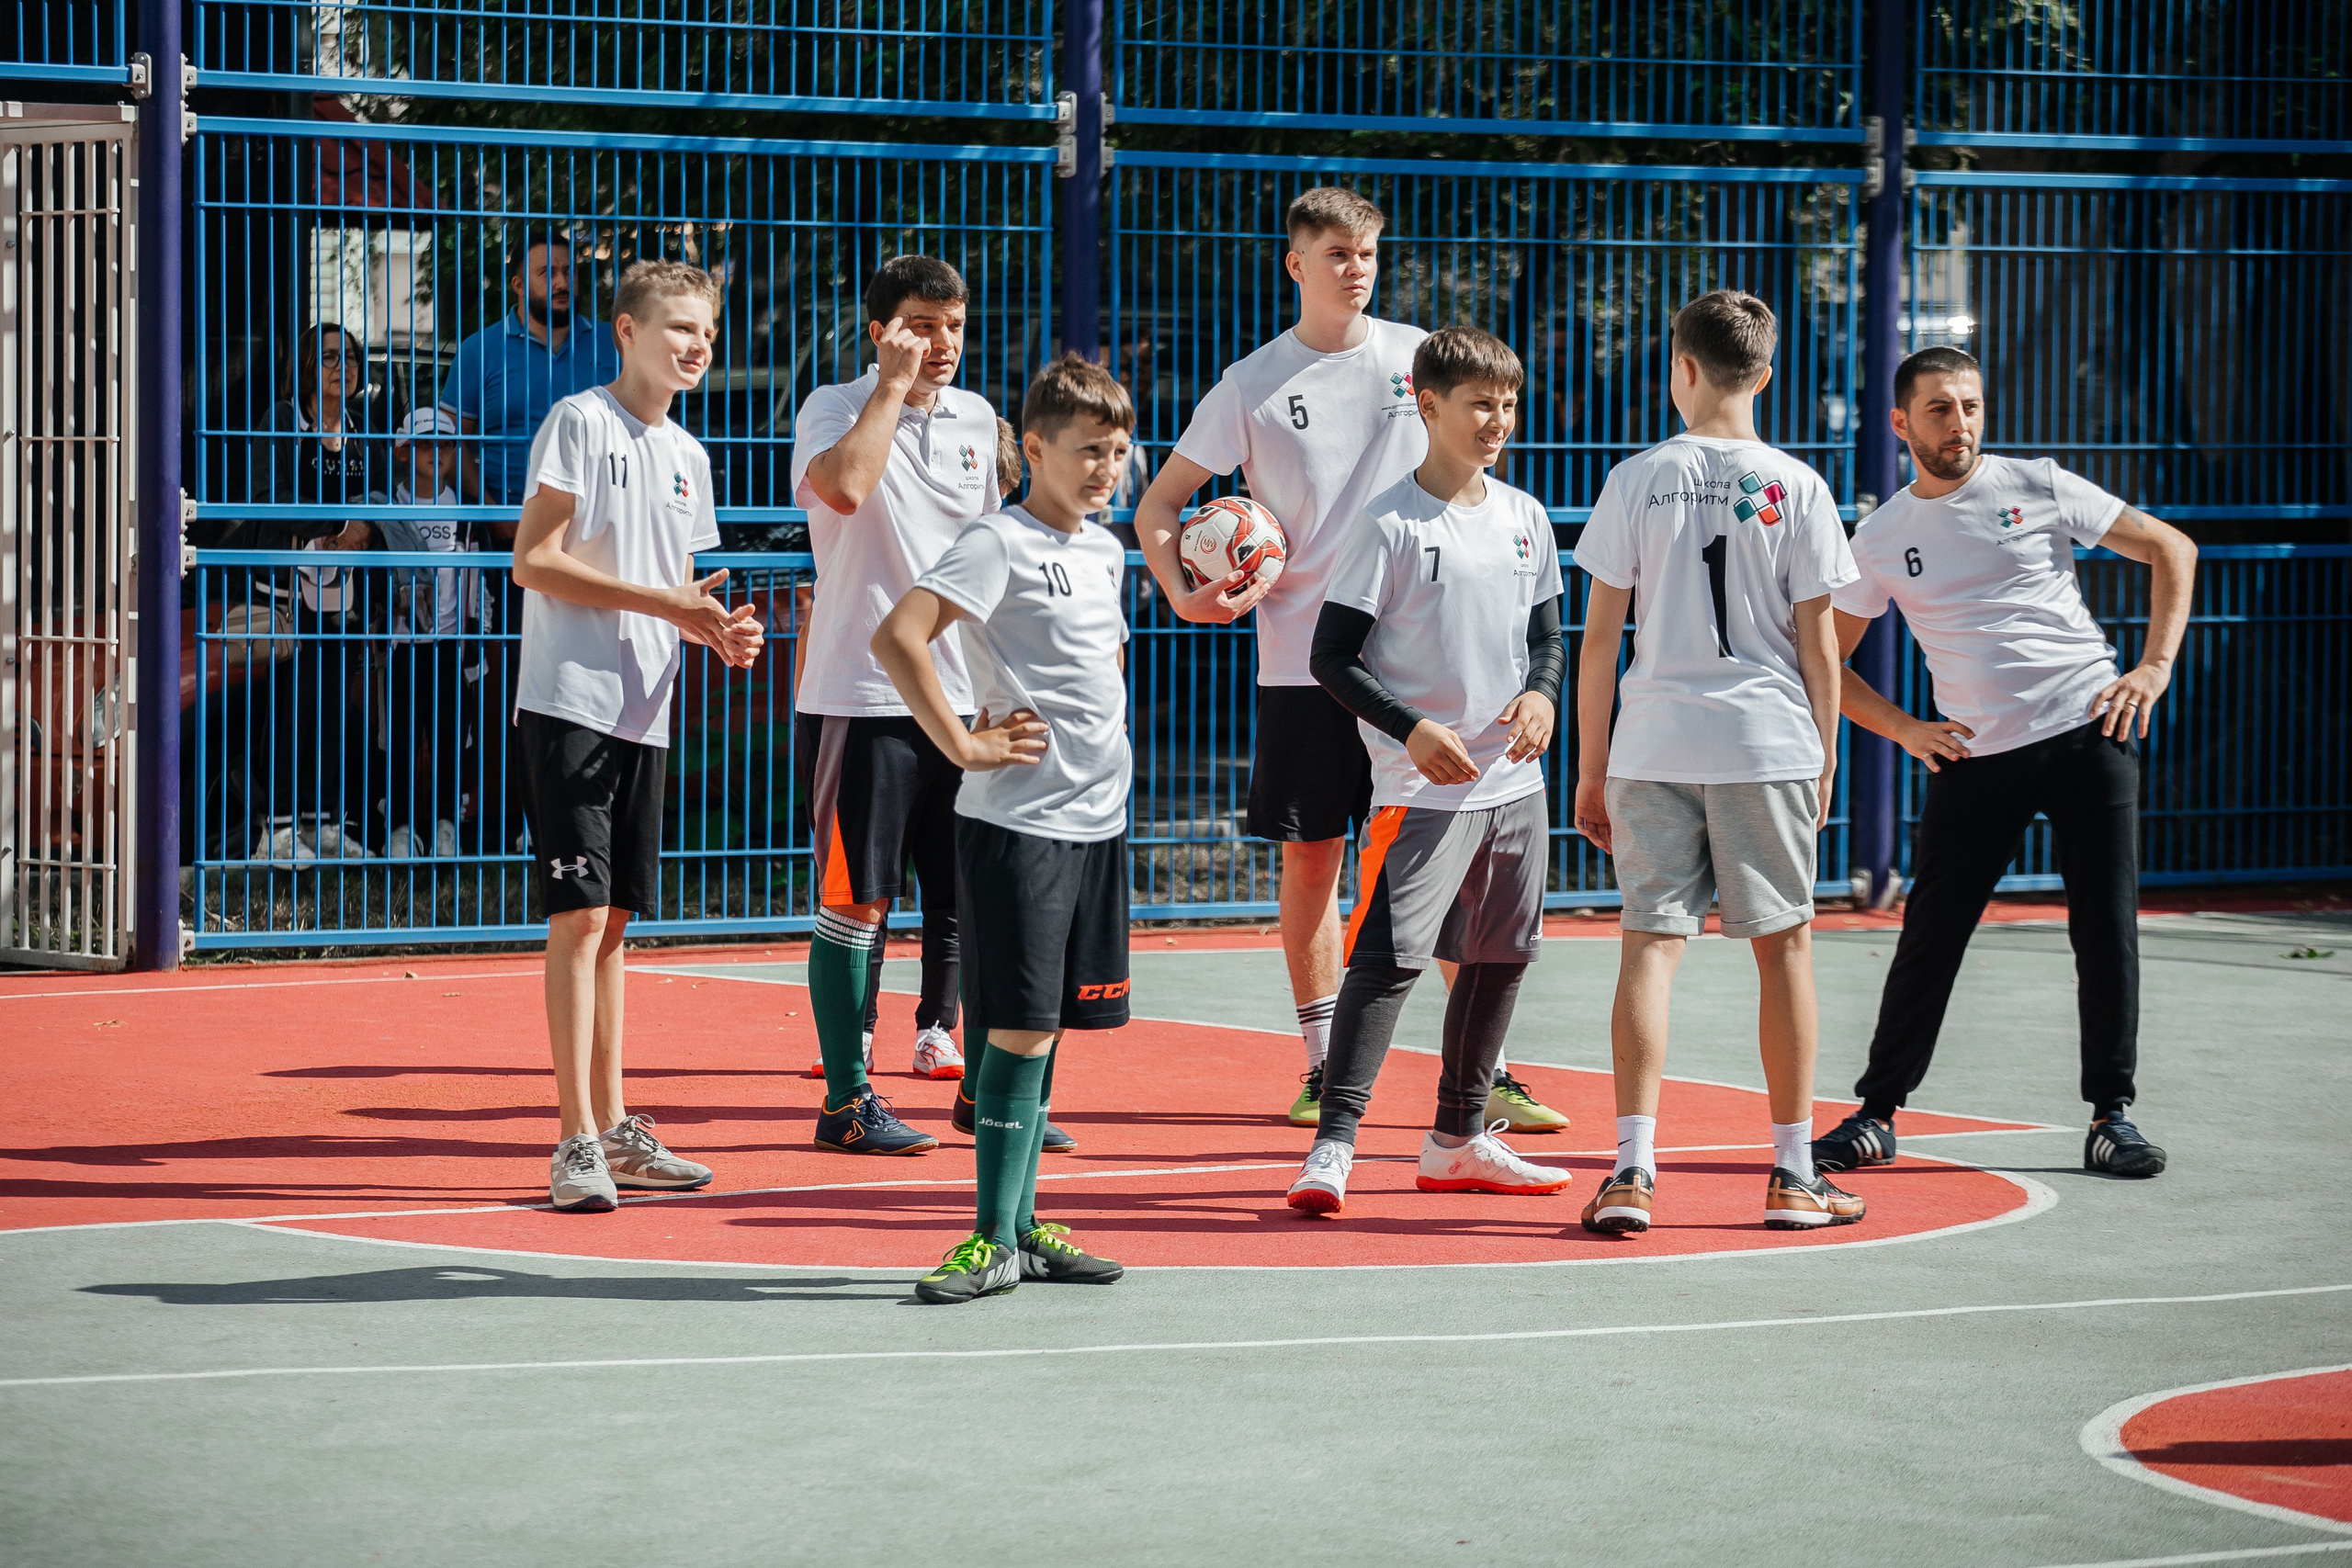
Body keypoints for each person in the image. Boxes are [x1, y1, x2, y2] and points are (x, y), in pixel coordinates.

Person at [1135, 186, 1566, 1136]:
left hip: (1427, 659)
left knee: (1460, 864)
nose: (1355, 267)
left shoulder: (1419, 361)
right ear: (1296, 264)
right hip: (1306, 658)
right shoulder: (1249, 384)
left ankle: (1483, 1068)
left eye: (1366, 252)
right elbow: (1157, 507)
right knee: (1315, 856)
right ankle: (1322, 1059)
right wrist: (1180, 590)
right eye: (1335, 253)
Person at [1810, 346, 2198, 1181]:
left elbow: (2173, 549)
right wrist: (1907, 729)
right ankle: (1877, 1113)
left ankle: (2111, 1117)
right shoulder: (1879, 538)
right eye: (1941, 408)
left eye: (1971, 406)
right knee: (1930, 937)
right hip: (1975, 757)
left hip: (2089, 732)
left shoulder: (2040, 484)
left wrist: (2154, 667)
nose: (1960, 423)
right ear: (1901, 422)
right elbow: (1826, 662)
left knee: (2105, 931)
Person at [1569, 289, 1867, 1235]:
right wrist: (1821, 759)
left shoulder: (1635, 479)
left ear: (1681, 368)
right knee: (1783, 949)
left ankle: (1629, 1173)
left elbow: (1597, 640)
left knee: (1651, 946)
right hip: (1763, 741)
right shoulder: (1796, 485)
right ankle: (1790, 1174)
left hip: (1651, 741)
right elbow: (1819, 646)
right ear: (1764, 376)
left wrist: (1588, 765)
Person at [1283, 327, 1574, 1214]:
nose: (1497, 420)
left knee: (1500, 957)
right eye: (1480, 403)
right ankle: (1332, 1148)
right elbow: (1332, 656)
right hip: (1424, 790)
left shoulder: (1526, 517)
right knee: (1390, 961)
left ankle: (1457, 1139)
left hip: (1514, 787)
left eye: (1508, 404)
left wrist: (1543, 698)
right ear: (1430, 405)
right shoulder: (1390, 524)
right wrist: (1409, 730)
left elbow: (1548, 642)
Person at [872, 354, 1137, 1303]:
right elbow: (898, 634)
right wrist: (961, 745)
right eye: (1085, 451)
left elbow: (1091, 673)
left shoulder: (1104, 551)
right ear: (1031, 449)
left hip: (1094, 825)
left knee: (1047, 1029)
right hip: (1017, 828)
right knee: (1015, 1032)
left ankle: (1025, 1226)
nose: (1105, 468)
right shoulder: (998, 540)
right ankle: (986, 1239)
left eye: (1115, 450)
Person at [508, 260, 764, 1213]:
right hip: (571, 700)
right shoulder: (580, 421)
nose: (695, 346)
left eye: (705, 331)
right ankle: (573, 1139)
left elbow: (683, 591)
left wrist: (718, 629)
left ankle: (615, 1132)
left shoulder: (688, 457)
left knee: (615, 925)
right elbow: (534, 560)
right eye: (676, 330)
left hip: (642, 710)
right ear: (625, 332)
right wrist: (667, 602)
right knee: (577, 921)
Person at [790, 255, 1012, 1155]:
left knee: (981, 899)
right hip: (861, 694)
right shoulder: (834, 408)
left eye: (954, 325)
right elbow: (844, 488)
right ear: (879, 328)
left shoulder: (978, 419)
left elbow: (995, 556)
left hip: (960, 700)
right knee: (858, 903)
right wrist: (892, 388)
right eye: (923, 324)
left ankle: (983, 1089)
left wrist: (1005, 687)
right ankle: (846, 1102)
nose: (943, 343)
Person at [259, 321, 403, 859]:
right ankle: (276, 830)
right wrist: (341, 527)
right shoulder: (280, 421)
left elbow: (383, 502)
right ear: (304, 367)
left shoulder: (363, 430)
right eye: (327, 357)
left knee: (334, 709)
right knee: (286, 707)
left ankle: (323, 822)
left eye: (350, 357)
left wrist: (363, 531)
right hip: (287, 595)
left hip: (345, 600)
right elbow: (269, 499)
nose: (342, 367)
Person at [374, 406, 485, 859]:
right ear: (403, 451)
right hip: (399, 647)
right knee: (398, 737)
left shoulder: (464, 511)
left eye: (445, 444)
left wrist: (475, 649)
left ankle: (444, 824)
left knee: (449, 737)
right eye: (424, 444)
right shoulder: (387, 508)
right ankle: (399, 827)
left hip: (449, 648)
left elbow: (477, 588)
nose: (435, 452)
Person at [441, 235, 623, 508]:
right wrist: (490, 511)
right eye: (547, 273)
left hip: (600, 520)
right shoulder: (480, 351)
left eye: (568, 271)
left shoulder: (613, 345)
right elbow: (449, 443)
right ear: (519, 285)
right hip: (509, 521)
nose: (562, 283)